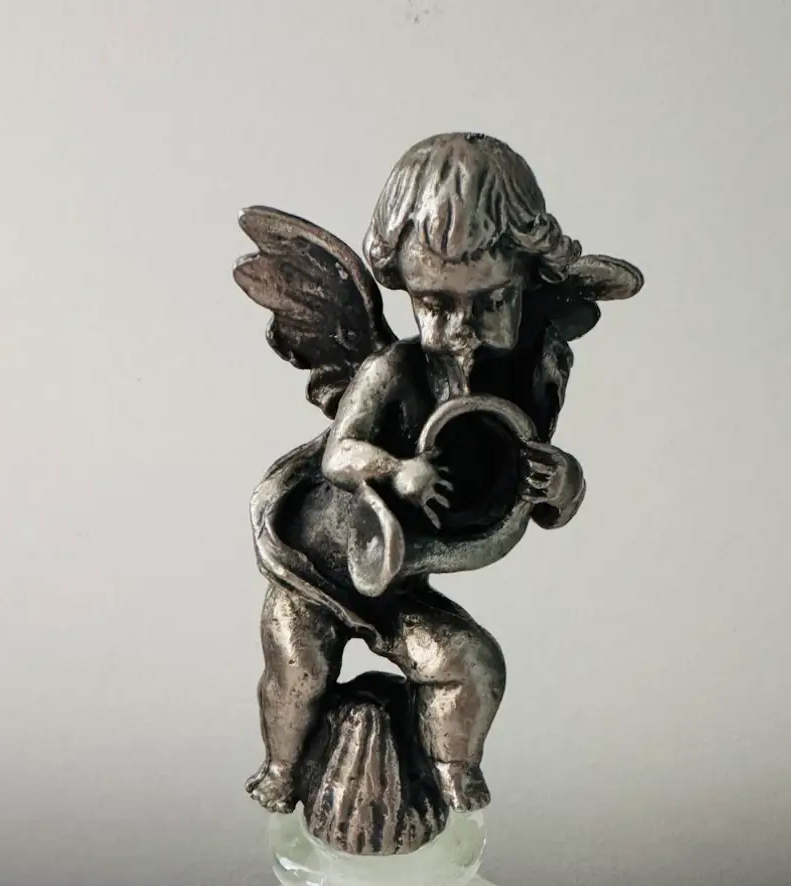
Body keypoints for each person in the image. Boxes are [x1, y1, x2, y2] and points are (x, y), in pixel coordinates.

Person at [245, 134, 614, 816]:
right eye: (437, 306)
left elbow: (536, 505)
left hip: (402, 582)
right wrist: (397, 470)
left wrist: (562, 482)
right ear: (405, 288)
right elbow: (338, 455)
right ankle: (281, 767)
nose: (464, 329)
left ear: (528, 283)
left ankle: (451, 770)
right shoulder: (390, 371)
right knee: (298, 670)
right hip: (317, 566)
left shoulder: (523, 382)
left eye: (491, 303)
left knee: (472, 665)